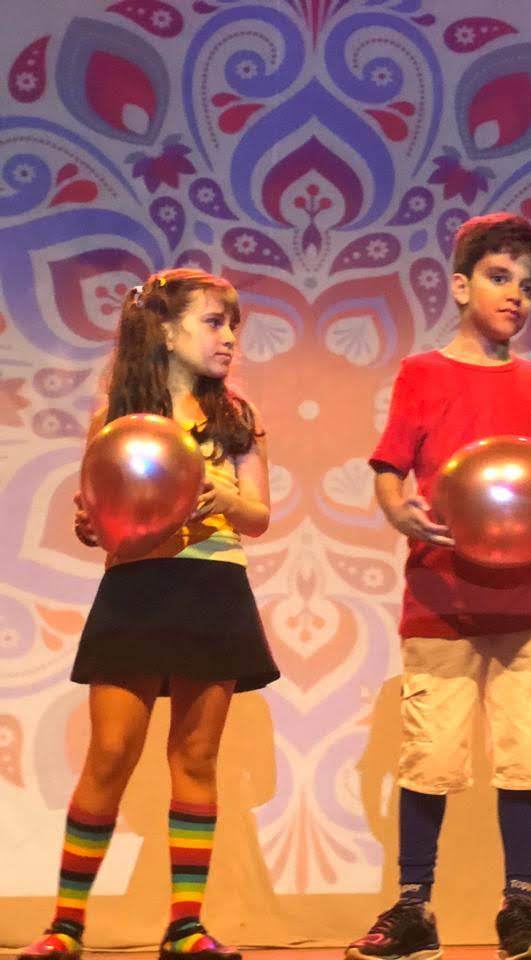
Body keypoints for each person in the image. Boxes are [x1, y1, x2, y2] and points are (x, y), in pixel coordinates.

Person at [349, 214, 531, 960]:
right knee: (431, 756)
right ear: (462, 286)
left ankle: (518, 909)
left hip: (525, 603)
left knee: (527, 754)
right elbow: (389, 466)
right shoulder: (423, 374)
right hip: (441, 597)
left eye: (528, 286)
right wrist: (398, 511)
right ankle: (413, 909)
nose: (516, 296)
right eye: (501, 279)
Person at [18, 269, 277, 960]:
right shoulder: (117, 415)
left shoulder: (237, 417)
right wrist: (90, 524)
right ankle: (65, 926)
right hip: (136, 588)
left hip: (213, 589)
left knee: (195, 758)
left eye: (233, 326)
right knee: (110, 754)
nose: (228, 338)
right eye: (213, 322)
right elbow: (99, 512)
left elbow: (259, 514)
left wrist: (225, 496)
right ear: (164, 330)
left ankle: (185, 927)